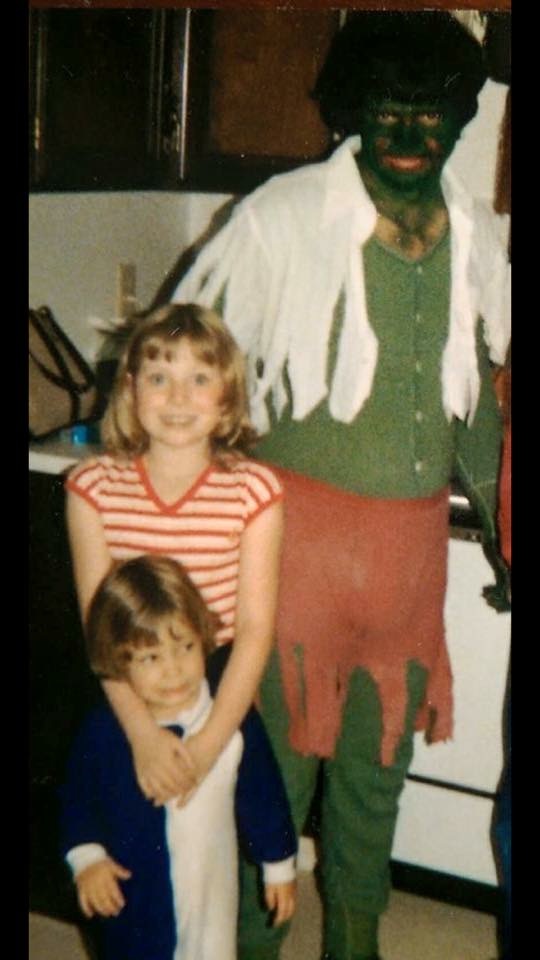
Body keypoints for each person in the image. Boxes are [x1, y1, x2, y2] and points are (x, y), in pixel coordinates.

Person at [170, 12, 511, 960]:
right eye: (387, 109)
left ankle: (355, 943)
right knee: (270, 783)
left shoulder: (475, 231)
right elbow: (187, 369)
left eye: (430, 114)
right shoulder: (281, 216)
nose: (407, 134)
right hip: (292, 557)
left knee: (374, 782)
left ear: (460, 119)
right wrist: (186, 531)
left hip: (408, 565)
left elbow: (480, 400)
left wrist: (504, 535)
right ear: (353, 109)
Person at [65, 302, 284, 809]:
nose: (178, 397)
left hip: (217, 688)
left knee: (236, 827)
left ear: (227, 396)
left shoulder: (254, 492)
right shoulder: (92, 489)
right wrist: (142, 735)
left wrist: (206, 747)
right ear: (131, 389)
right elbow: (100, 631)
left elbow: (255, 631)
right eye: (159, 378)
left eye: (199, 379)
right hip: (127, 684)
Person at [60, 554, 297, 960]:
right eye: (151, 657)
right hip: (136, 901)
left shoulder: (227, 716)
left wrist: (278, 865)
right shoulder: (105, 730)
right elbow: (75, 798)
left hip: (213, 893)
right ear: (118, 659)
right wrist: (87, 858)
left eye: (185, 647)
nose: (174, 671)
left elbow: (262, 791)